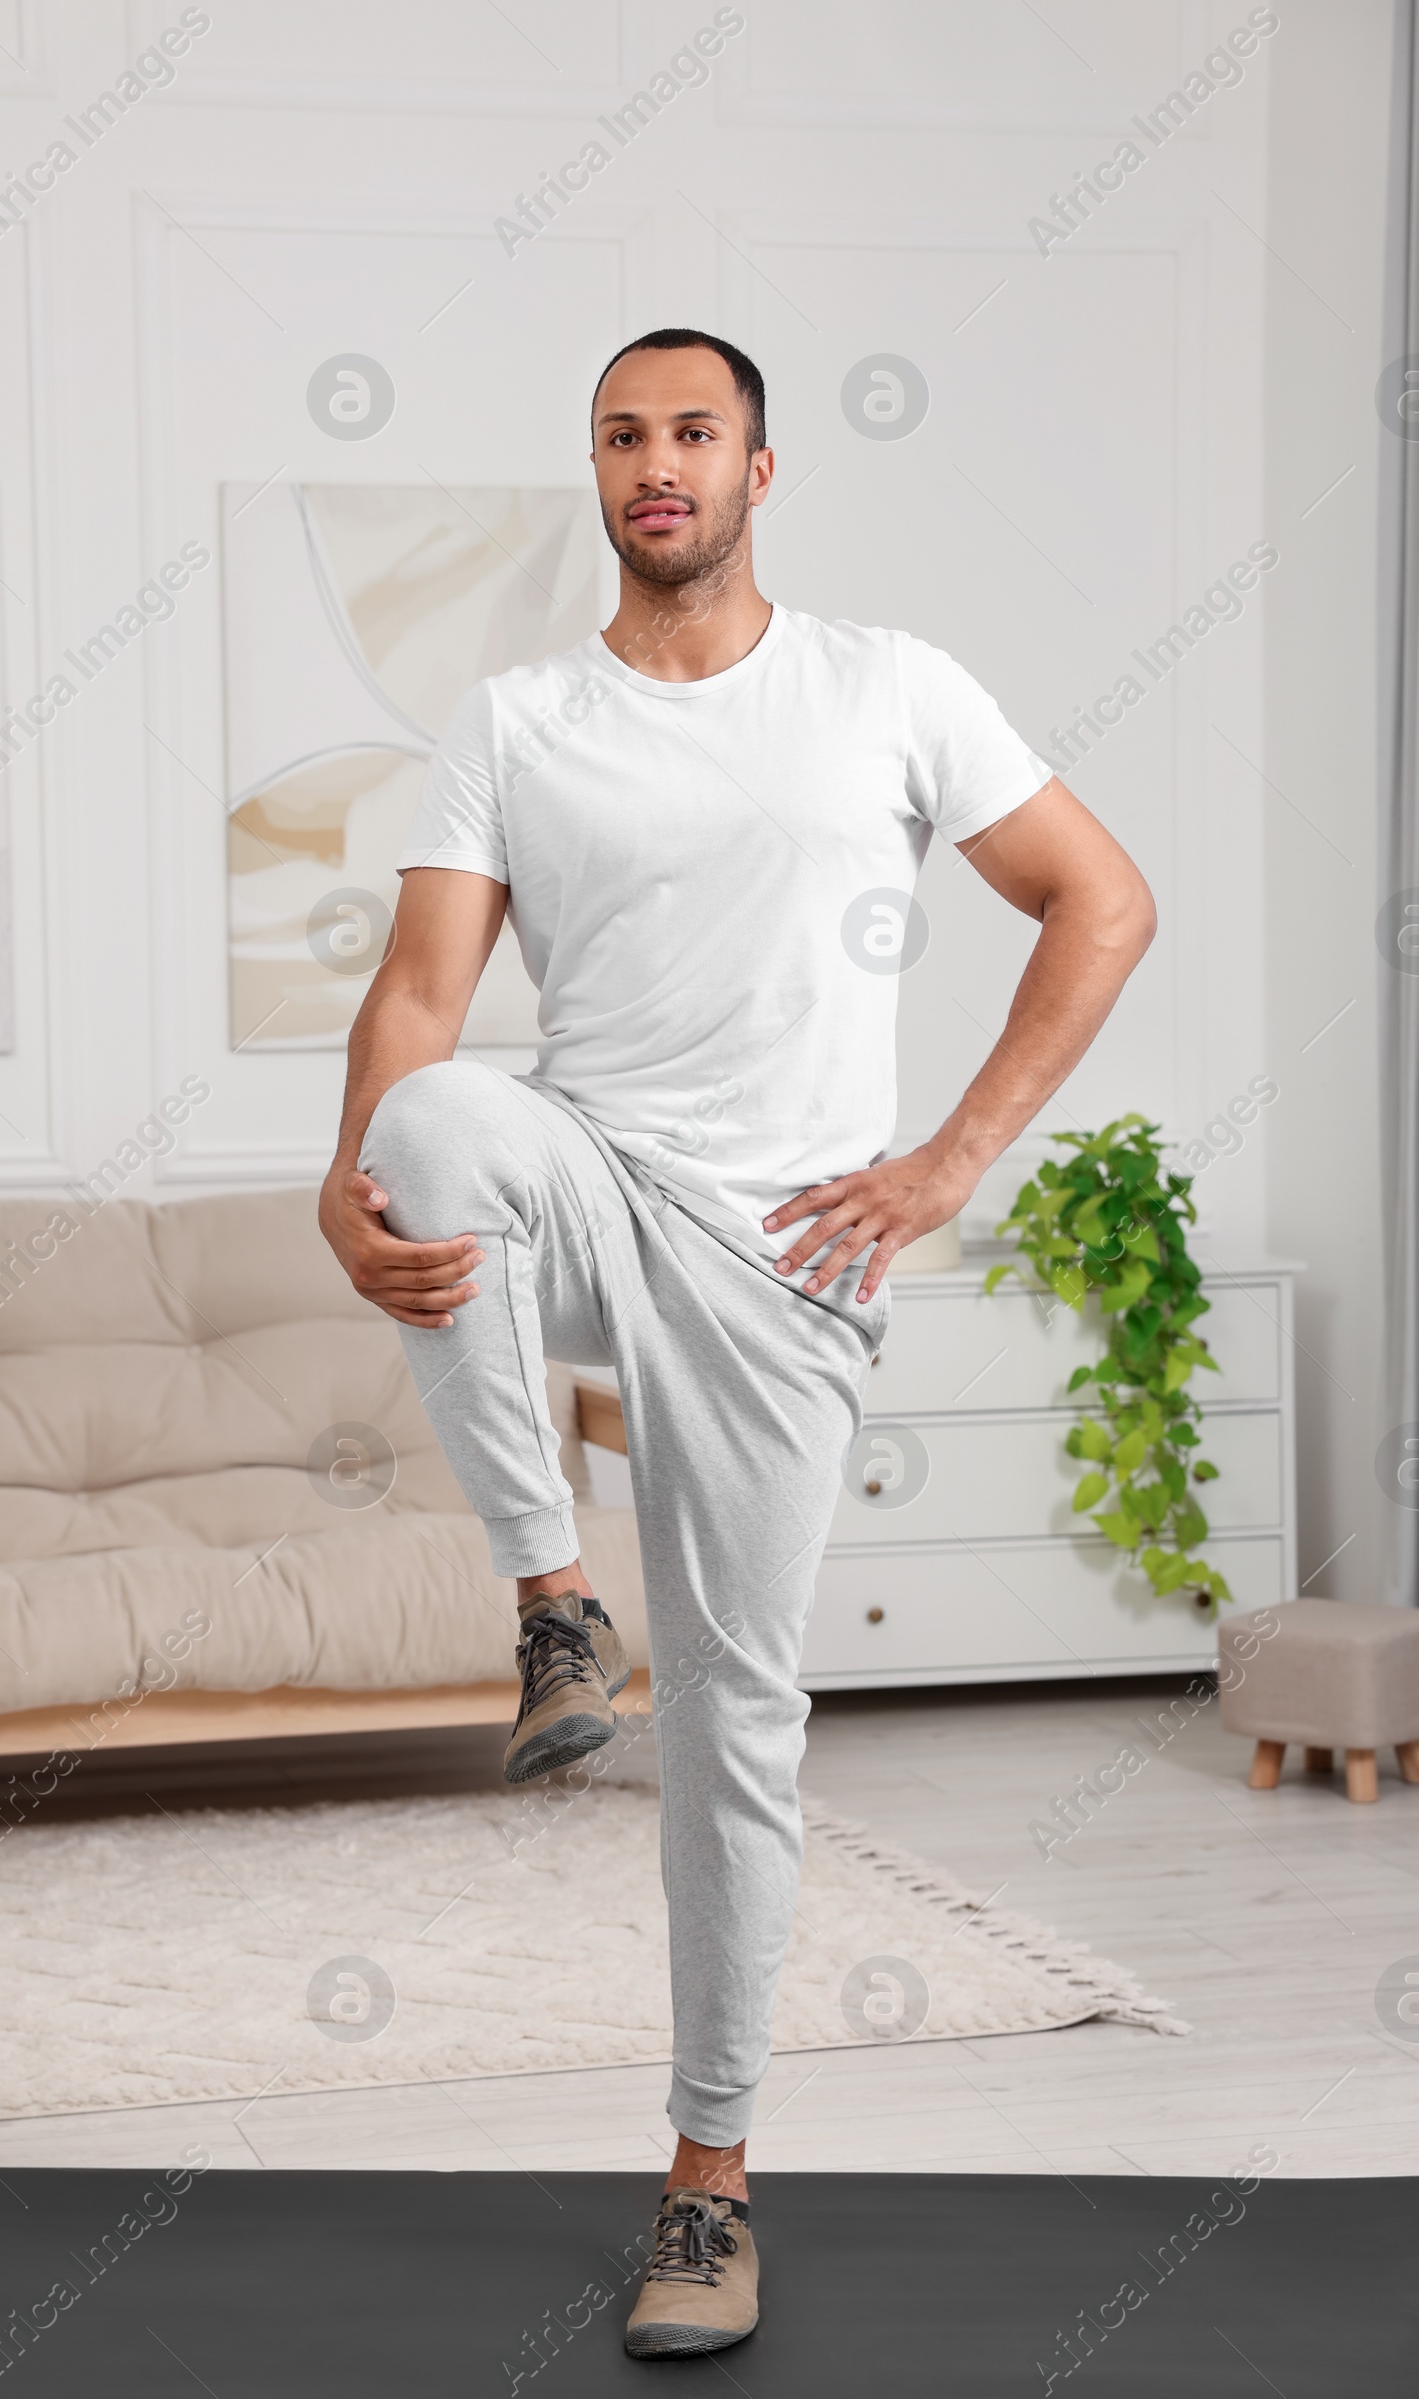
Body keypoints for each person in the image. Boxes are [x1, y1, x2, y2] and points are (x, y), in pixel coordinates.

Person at [318, 326, 1155, 2359]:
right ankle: (548, 1601)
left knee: (741, 1724)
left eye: (691, 432)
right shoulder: (516, 716)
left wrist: (947, 1159)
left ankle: (707, 2186)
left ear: (759, 471)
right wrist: (347, 1196)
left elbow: (1098, 900)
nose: (654, 463)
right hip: (596, 1191)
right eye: (621, 435)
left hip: (788, 1255)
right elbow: (420, 1000)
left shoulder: (886, 687)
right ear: (592, 477)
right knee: (430, 1126)